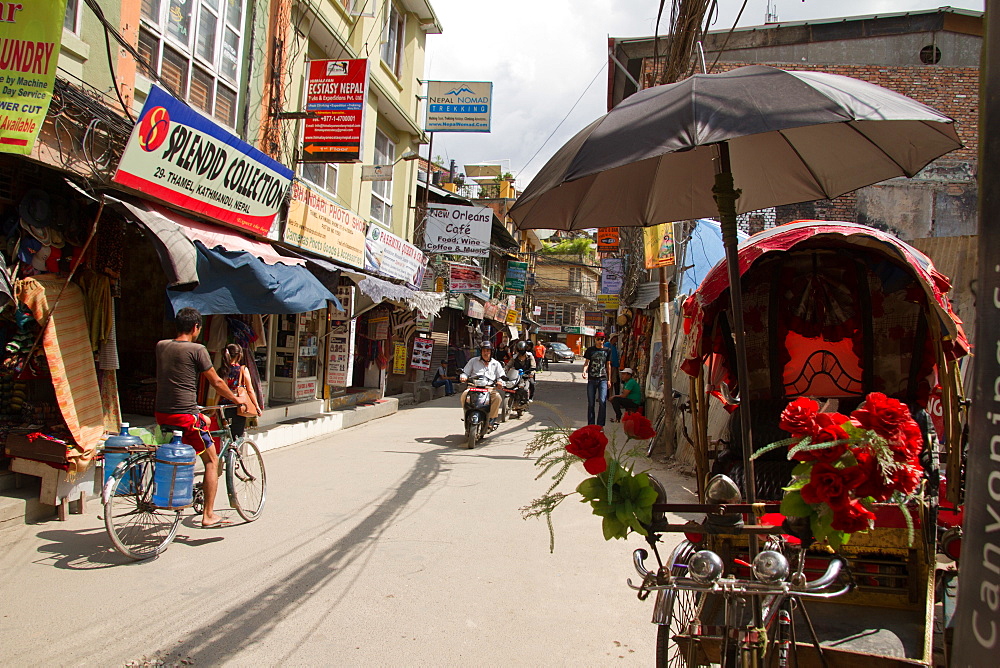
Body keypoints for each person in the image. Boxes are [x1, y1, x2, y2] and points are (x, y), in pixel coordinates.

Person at [155, 308, 252, 529]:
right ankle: (208, 514)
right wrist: (237, 401)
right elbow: (217, 382)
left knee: (201, 426)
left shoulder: (161, 346)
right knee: (211, 461)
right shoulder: (197, 349)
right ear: (196, 328)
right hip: (185, 414)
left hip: (162, 413)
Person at [219, 343, 262, 439]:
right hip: (238, 406)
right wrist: (257, 406)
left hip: (223, 406)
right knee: (237, 435)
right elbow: (250, 390)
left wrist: (214, 407)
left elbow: (219, 390)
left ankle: (225, 452)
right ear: (239, 355)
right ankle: (235, 452)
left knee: (225, 434)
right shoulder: (242, 369)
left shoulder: (222, 370)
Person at [459, 340, 505, 426]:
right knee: (464, 395)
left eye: (488, 351)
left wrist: (500, 382)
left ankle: (491, 419)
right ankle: (467, 414)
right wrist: (463, 376)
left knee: (497, 398)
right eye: (484, 350)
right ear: (481, 352)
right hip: (473, 387)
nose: (486, 353)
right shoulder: (473, 361)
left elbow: (501, 376)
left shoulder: (496, 364)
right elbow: (465, 372)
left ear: (491, 352)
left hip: (489, 389)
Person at [582, 331, 612, 427]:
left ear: (604, 340)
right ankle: (591, 424)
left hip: (603, 379)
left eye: (602, 339)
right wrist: (584, 371)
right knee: (591, 403)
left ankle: (600, 425)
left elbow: (608, 365)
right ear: (595, 339)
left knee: (602, 401)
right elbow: (587, 362)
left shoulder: (607, 350)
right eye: (598, 339)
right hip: (592, 379)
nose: (600, 341)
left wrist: (609, 379)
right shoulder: (590, 350)